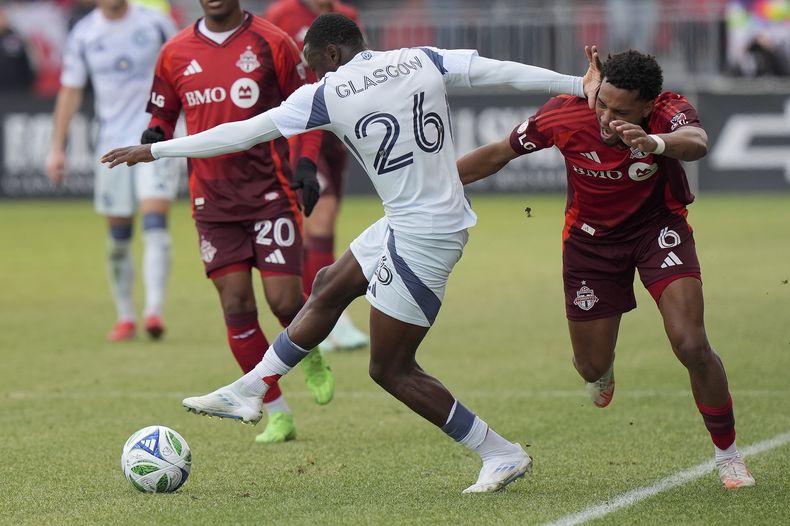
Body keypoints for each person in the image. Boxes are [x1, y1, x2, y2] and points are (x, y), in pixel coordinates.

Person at [101, 13, 601, 492]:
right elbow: (497, 71)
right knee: (328, 286)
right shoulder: (421, 58)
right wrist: (578, 84)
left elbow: (245, 131)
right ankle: (251, 389)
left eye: (316, 62)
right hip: (416, 219)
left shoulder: (326, 93)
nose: (313, 72)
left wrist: (157, 149)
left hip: (424, 236)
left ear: (333, 53)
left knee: (391, 368)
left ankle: (499, 452)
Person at [456, 50, 755, 489]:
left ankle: (728, 455)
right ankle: (602, 371)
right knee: (590, 365)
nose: (605, 117)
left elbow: (697, 141)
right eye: (602, 104)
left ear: (648, 106)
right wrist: (437, 187)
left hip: (658, 232)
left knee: (691, 344)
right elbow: (499, 153)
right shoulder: (565, 113)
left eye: (620, 111)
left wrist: (654, 143)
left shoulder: (668, 109)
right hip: (590, 245)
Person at [142, 0, 334, 444]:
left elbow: (309, 109)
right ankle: (277, 411)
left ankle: (311, 350)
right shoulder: (174, 51)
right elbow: (162, 111)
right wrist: (155, 132)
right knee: (236, 306)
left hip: (270, 194)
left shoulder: (273, 42)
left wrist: (305, 165)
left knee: (285, 301)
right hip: (211, 202)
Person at [46, 0, 178, 341]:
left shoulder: (155, 23)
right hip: (111, 145)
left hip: (155, 140)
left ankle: (154, 312)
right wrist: (57, 147)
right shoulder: (84, 33)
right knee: (119, 237)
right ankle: (126, 316)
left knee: (154, 222)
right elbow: (71, 90)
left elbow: (182, 73)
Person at [264, 0, 369, 353]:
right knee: (319, 216)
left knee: (326, 220)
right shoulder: (282, 15)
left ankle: (320, 312)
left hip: (337, 133)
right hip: (302, 128)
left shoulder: (347, 16)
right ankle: (323, 315)